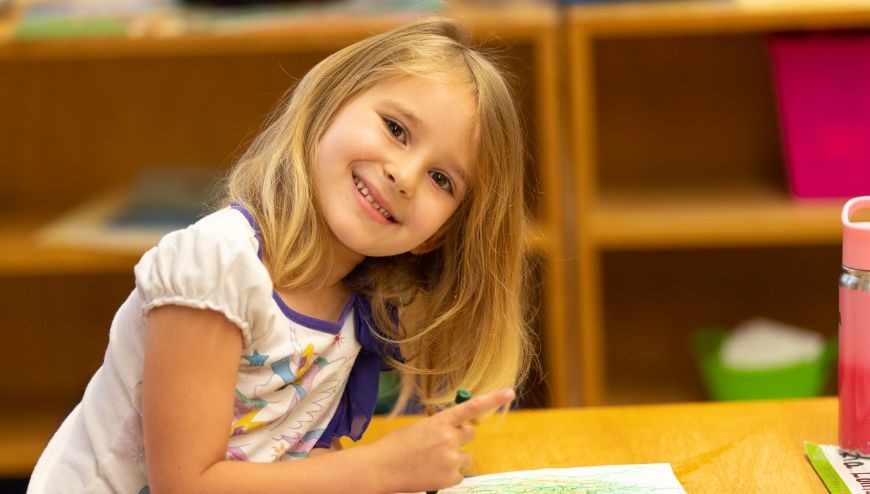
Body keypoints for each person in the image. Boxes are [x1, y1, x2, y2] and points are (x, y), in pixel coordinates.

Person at [28, 16, 533, 494]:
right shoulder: (217, 267)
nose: (404, 175)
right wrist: (383, 467)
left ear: (436, 237)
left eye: (441, 180)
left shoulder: (356, 313)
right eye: (396, 129)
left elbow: (272, 463)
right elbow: (186, 485)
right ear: (327, 107)